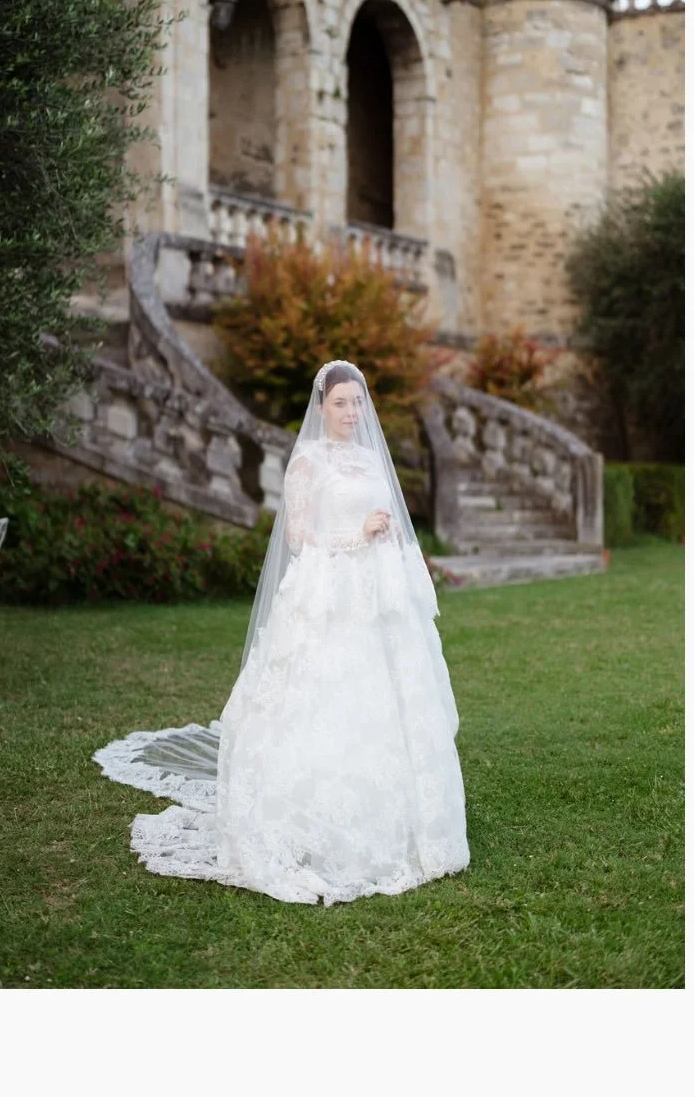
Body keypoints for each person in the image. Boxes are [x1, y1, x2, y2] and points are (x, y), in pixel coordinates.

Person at [93, 360, 469, 906]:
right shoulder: (308, 463)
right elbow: (298, 535)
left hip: (374, 601)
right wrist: (354, 532)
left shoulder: (369, 460)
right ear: (321, 407)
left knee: (388, 705)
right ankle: (309, 825)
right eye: (339, 402)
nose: (349, 412)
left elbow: (383, 520)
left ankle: (405, 823)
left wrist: (381, 533)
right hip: (325, 597)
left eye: (356, 402)